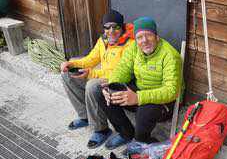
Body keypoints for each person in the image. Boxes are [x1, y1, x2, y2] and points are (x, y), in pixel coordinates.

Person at [95, 16, 182, 150]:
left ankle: (143, 140)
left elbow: (171, 91)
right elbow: (121, 70)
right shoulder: (134, 48)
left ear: (157, 37)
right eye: (140, 37)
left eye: (149, 35)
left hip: (164, 101)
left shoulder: (170, 55)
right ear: (136, 40)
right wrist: (110, 86)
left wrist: (138, 98)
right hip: (140, 92)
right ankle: (126, 134)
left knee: (144, 111)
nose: (144, 41)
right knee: (103, 95)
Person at [60, 10, 134, 148]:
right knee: (67, 74)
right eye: (107, 27)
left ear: (122, 27)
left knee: (92, 86)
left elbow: (119, 72)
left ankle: (101, 129)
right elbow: (91, 59)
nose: (111, 31)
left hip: (119, 81)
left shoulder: (129, 45)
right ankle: (85, 115)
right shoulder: (103, 41)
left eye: (116, 27)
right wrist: (71, 64)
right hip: (102, 77)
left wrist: (91, 74)